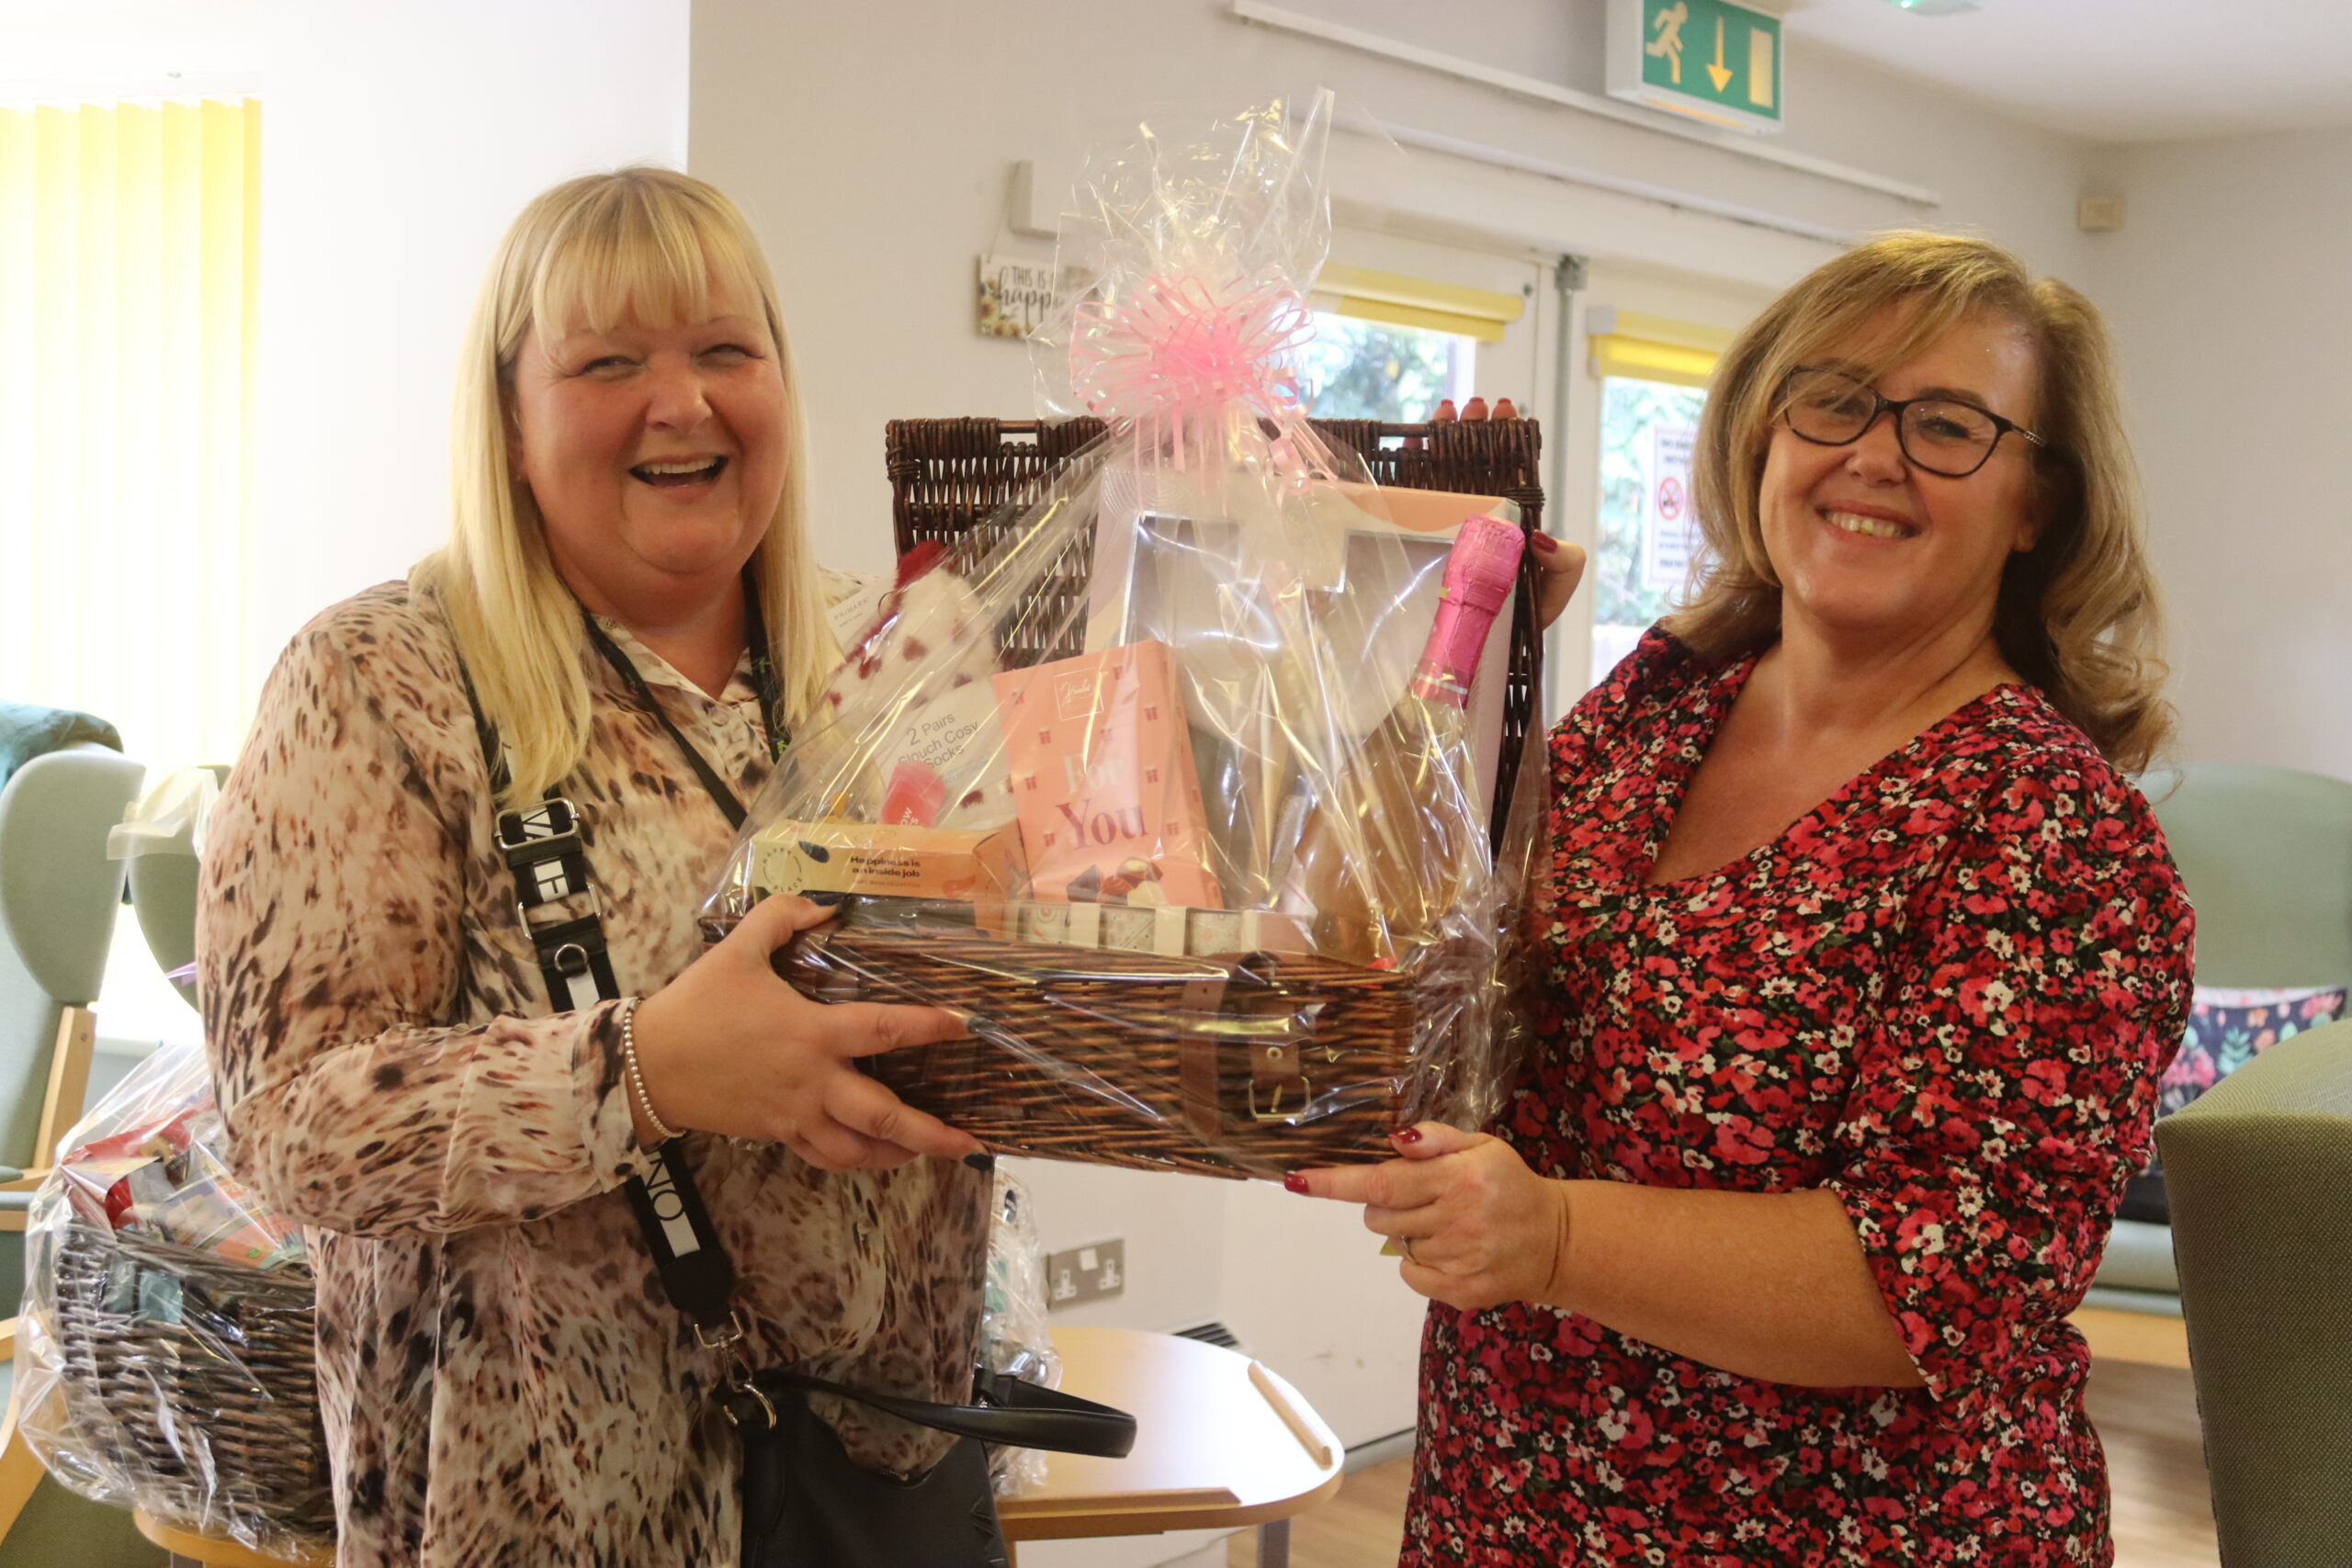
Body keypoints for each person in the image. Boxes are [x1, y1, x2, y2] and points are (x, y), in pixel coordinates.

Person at [1293, 232, 2195, 1565]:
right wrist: (1451, 643)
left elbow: (1939, 1286)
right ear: (1764, 431)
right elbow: (1381, 952)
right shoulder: (1658, 707)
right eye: (1833, 400)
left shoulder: (2054, 833)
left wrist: (1549, 1236)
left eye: (1947, 425)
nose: (1872, 456)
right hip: (1515, 1503)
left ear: (2037, 504)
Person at [198, 168, 989, 1566]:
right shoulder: (380, 684)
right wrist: (642, 1073)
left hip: (878, 1483)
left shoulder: (895, 663)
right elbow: (290, 1129)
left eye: (724, 352)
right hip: (545, 1519)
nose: (680, 403)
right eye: (609, 362)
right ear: (508, 421)